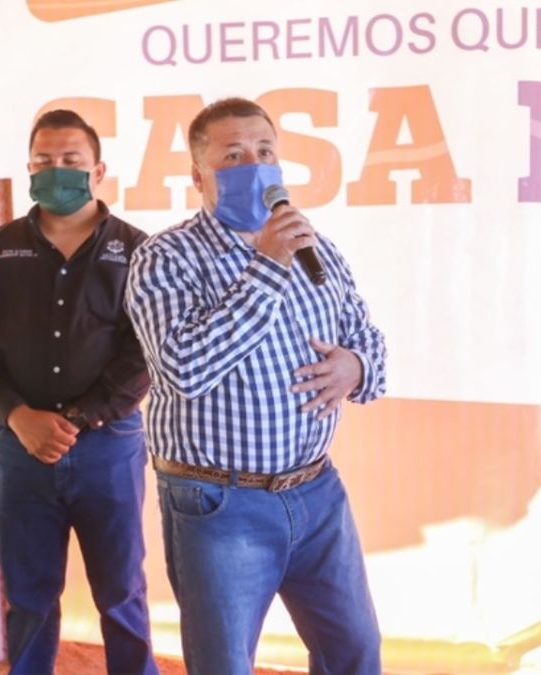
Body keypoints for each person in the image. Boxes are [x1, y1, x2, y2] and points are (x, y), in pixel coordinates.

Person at [125, 97, 387, 675]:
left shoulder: (316, 247)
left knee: (355, 652)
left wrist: (356, 367)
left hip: (317, 493)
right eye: (234, 155)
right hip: (220, 503)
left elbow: (369, 343)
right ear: (199, 176)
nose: (255, 165)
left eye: (265, 151)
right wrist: (267, 266)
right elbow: (183, 368)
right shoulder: (164, 258)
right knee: (225, 664)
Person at [0, 110, 157, 674]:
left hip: (108, 446)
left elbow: (145, 350)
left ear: (98, 171)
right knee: (29, 596)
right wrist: (17, 415)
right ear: (29, 168)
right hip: (20, 448)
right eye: (44, 161)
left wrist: (80, 419)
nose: (56, 170)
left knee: (122, 592)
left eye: (71, 160)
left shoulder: (137, 251)